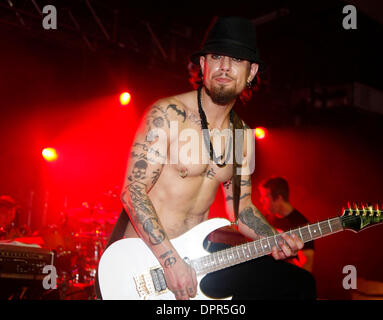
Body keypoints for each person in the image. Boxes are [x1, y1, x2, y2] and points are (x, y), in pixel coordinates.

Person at [113, 16, 315, 300]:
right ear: (203, 65)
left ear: (252, 71)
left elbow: (241, 211)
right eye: (216, 56)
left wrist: (274, 238)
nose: (224, 66)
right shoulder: (167, 114)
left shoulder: (242, 136)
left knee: (297, 284)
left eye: (236, 59)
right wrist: (169, 262)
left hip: (194, 264)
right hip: (144, 266)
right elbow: (133, 191)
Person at [260, 177, 315, 273]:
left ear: (279, 198)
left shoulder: (302, 223)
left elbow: (307, 265)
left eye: (265, 196)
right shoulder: (266, 220)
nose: (261, 200)